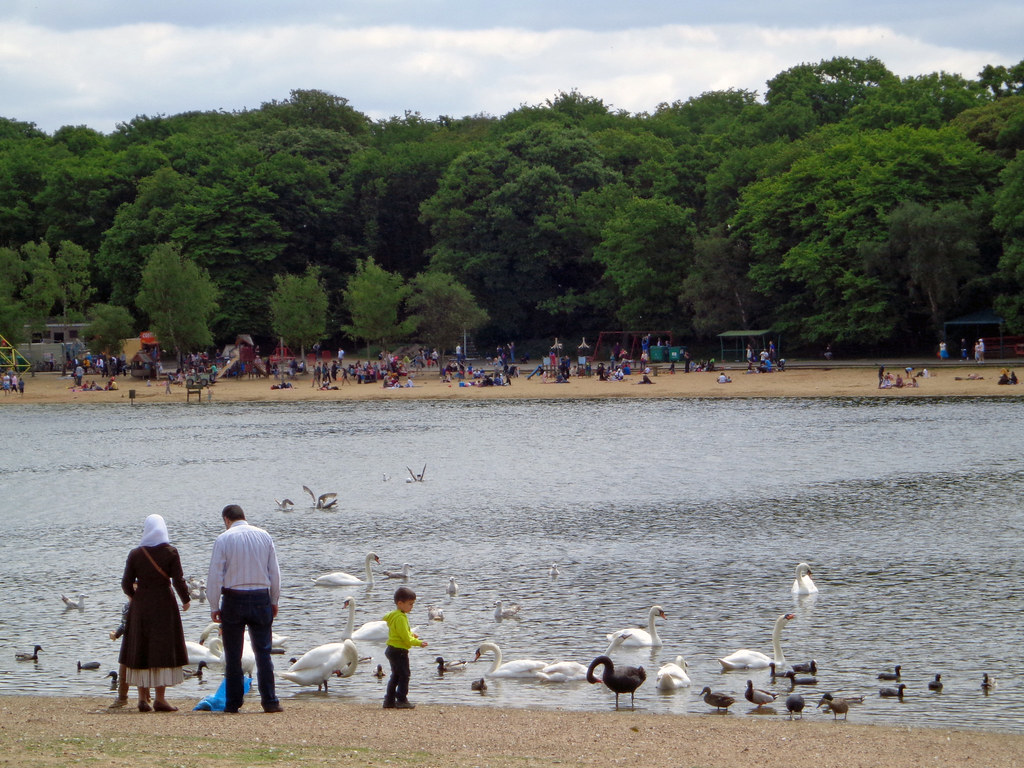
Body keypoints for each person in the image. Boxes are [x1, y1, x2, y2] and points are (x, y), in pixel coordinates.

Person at [207, 504, 283, 714]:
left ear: (226, 519)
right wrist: (274, 599)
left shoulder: (223, 539)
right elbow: (274, 572)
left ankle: (233, 703)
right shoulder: (264, 536)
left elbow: (215, 575)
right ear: (243, 516)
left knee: (233, 655)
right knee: (263, 653)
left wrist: (213, 604)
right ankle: (270, 701)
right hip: (260, 597)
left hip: (233, 598)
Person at [119, 514, 191, 712]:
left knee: (141, 647)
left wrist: (135, 596)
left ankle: (142, 699)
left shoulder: (135, 554)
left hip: (141, 604)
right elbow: (178, 580)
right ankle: (160, 699)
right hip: (164, 604)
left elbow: (125, 583)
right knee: (163, 648)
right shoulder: (171, 552)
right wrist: (185, 599)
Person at [383, 586, 427, 709]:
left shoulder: (393, 616)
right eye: (410, 604)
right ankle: (401, 699)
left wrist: (411, 634)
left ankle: (389, 700)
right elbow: (405, 639)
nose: (412, 607)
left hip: (391, 649)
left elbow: (398, 633)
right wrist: (419, 642)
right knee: (404, 675)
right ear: (400, 603)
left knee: (395, 676)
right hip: (399, 651)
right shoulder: (400, 617)